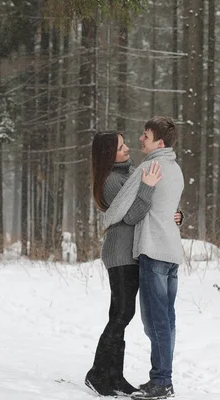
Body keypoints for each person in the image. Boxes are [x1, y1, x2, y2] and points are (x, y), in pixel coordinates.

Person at [85, 130, 183, 397]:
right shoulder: (111, 181)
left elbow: (152, 209)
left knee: (122, 315)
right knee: (121, 314)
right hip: (120, 254)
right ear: (109, 154)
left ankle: (113, 376)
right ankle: (99, 374)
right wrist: (148, 187)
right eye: (121, 146)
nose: (128, 148)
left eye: (125, 143)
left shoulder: (129, 175)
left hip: (132, 253)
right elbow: (132, 216)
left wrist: (174, 215)